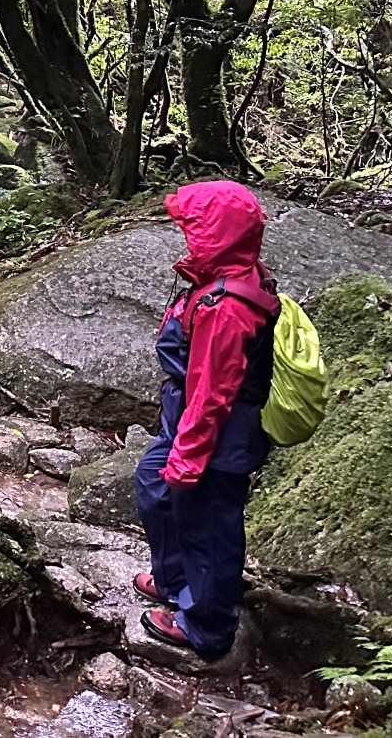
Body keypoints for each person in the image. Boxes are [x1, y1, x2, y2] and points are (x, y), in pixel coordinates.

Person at [134, 180, 279, 662]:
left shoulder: (228, 307)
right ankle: (176, 581)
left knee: (208, 526)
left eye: (194, 228)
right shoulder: (219, 278)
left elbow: (212, 392)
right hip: (188, 420)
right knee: (154, 488)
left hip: (217, 434)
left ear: (218, 234)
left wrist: (189, 459)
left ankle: (206, 626)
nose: (186, 236)